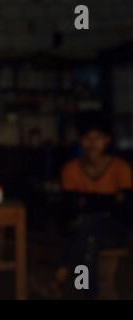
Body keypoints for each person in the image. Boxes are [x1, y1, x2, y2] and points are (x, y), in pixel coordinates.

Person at [52, 112, 132, 298]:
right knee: (89, 238)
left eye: (98, 138)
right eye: (88, 138)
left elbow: (125, 210)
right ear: (81, 141)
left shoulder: (121, 168)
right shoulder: (70, 169)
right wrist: (109, 201)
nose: (92, 143)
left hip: (116, 229)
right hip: (84, 230)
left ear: (107, 141)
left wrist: (88, 201)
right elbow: (70, 208)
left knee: (89, 225)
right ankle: (89, 293)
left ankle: (62, 275)